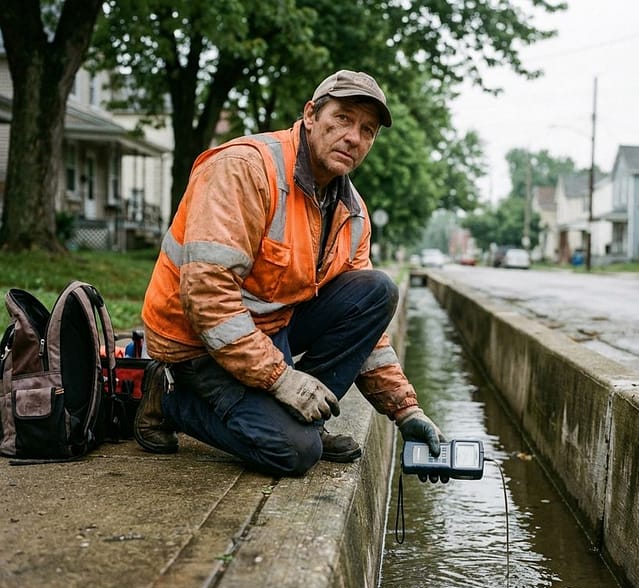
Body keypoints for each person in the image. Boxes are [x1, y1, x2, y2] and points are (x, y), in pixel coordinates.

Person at [134, 69, 445, 476]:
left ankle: (307, 421)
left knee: (377, 290)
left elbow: (366, 333)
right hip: (196, 340)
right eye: (343, 119)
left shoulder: (351, 214)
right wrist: (282, 380)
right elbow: (207, 298)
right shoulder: (245, 168)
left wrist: (405, 410)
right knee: (293, 453)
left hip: (266, 330)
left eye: (367, 130)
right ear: (311, 114)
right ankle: (170, 399)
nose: (354, 137)